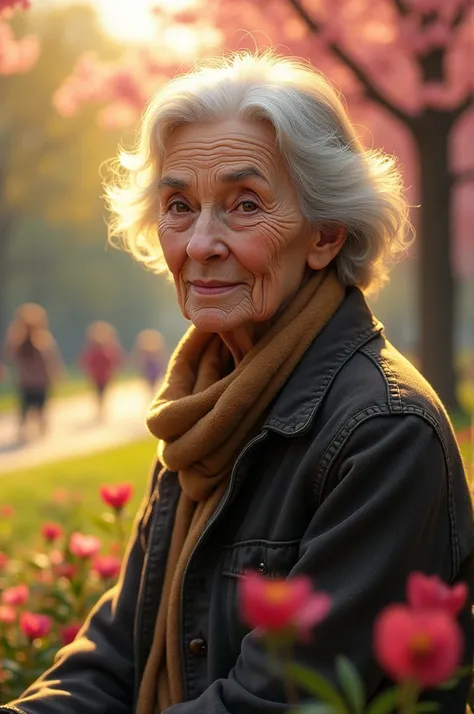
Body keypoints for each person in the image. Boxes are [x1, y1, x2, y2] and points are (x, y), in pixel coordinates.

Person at [3, 52, 472, 714]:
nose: (199, 243)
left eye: (244, 205)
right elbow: (114, 654)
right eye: (178, 206)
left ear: (326, 234)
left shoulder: (383, 433)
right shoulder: (205, 408)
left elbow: (266, 705)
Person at [3, 303, 63, 441]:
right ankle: (32, 431)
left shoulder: (41, 339)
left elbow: (51, 360)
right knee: (30, 408)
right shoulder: (23, 340)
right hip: (31, 381)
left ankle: (34, 431)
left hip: (32, 381)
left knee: (32, 408)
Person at [78, 321, 123, 421]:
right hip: (96, 376)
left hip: (105, 376)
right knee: (98, 392)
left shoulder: (107, 350)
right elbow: (86, 362)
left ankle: (102, 409)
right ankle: (100, 409)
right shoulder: (92, 351)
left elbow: (113, 362)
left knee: (103, 392)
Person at [132, 329, 168, 397]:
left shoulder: (154, 351)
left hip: (153, 370)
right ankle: (152, 393)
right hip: (150, 369)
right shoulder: (148, 352)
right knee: (151, 384)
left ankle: (152, 393)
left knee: (152, 383)